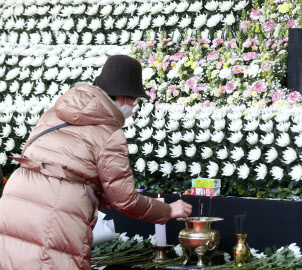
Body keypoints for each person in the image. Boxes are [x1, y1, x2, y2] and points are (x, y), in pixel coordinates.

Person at [0, 55, 192, 270]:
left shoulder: (53, 114)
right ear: (122, 97)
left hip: (17, 198)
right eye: (135, 100)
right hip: (58, 209)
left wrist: (96, 192)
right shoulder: (110, 134)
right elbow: (125, 201)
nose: (134, 106)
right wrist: (167, 211)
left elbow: (41, 158)